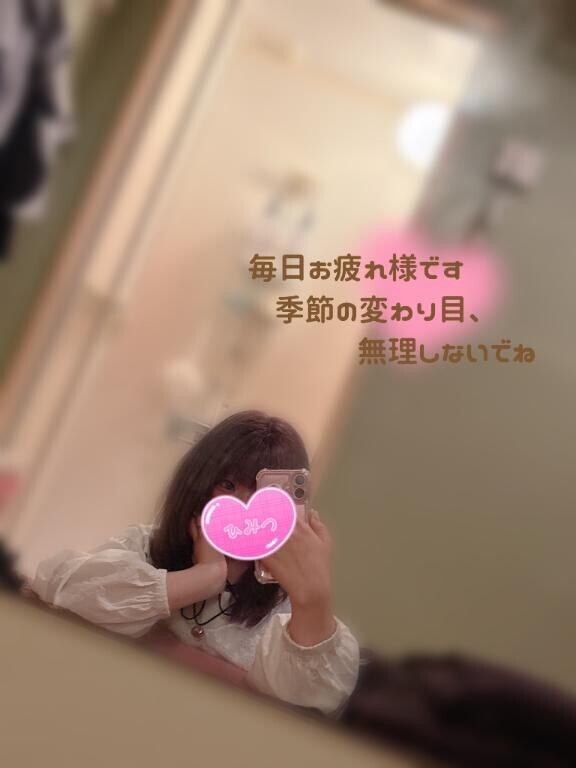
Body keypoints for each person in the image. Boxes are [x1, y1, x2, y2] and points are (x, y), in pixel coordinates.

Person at [31, 410, 360, 716]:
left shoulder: (287, 612)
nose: (243, 506)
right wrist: (204, 577)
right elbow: (63, 590)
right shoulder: (144, 548)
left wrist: (312, 601)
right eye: (228, 485)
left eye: (261, 494)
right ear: (200, 481)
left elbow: (311, 703)